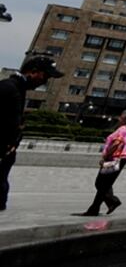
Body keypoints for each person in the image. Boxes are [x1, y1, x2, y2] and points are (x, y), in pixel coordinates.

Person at [1, 56, 64, 211]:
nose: (45, 81)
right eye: (45, 76)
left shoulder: (18, 89)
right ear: (33, 72)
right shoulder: (9, 88)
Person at [77, 109, 126, 216]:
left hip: (114, 158)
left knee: (100, 183)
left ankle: (112, 201)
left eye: (121, 116)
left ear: (125, 118)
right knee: (105, 184)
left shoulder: (123, 129)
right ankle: (96, 208)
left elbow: (116, 143)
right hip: (123, 158)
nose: (119, 117)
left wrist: (105, 156)